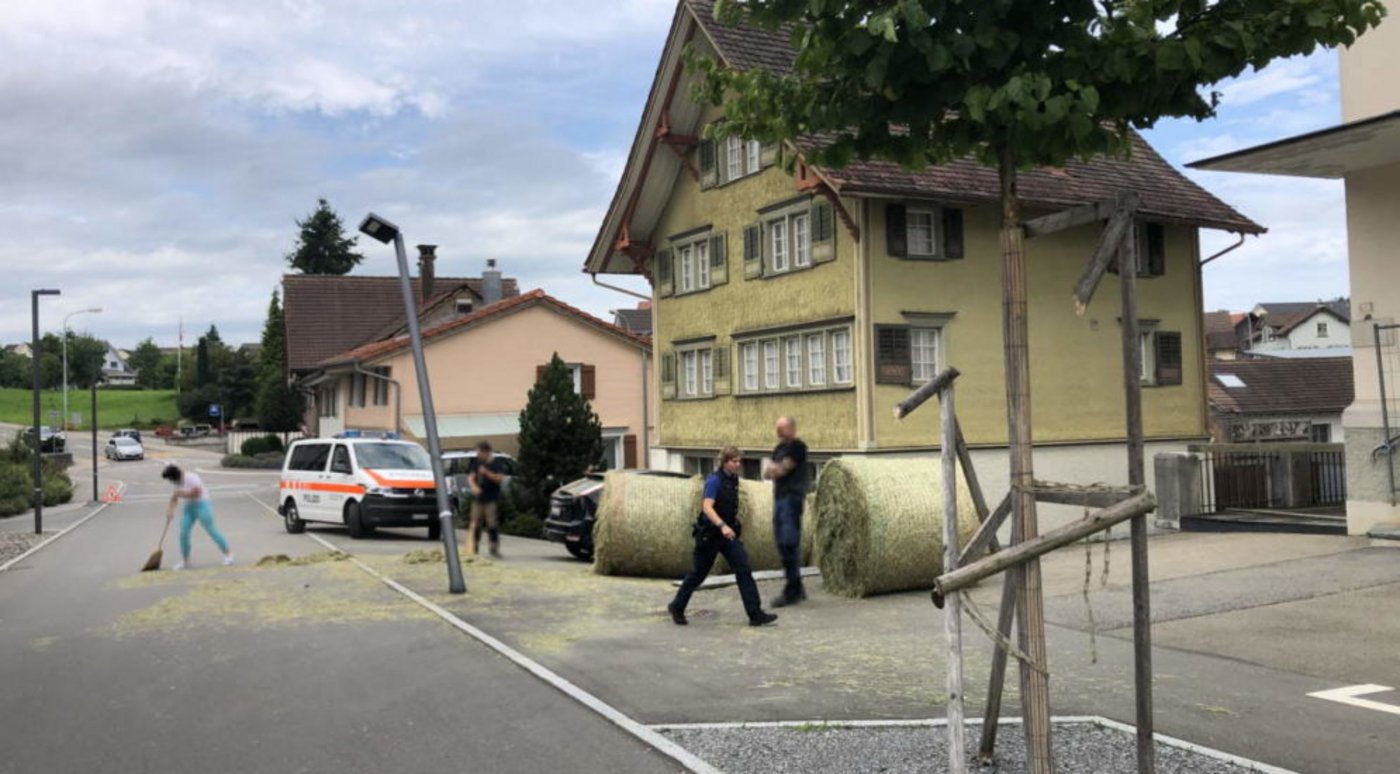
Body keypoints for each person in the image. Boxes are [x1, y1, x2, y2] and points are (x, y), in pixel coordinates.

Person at [668, 447, 778, 627]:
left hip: (728, 535)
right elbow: (707, 508)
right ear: (725, 462)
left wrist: (730, 526)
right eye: (734, 461)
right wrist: (722, 526)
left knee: (743, 568)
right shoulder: (714, 481)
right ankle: (677, 606)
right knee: (698, 574)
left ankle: (755, 614)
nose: (738, 464)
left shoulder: (733, 480)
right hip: (710, 534)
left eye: (739, 461)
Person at [765, 416, 808, 607]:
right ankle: (797, 585)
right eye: (777, 429)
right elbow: (768, 472)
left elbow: (781, 470)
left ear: (791, 428)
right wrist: (775, 469)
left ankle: (792, 590)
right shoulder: (778, 449)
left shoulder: (798, 447)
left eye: (782, 429)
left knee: (789, 542)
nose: (778, 432)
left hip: (792, 498)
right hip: (779, 498)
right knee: (781, 544)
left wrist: (777, 469)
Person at [162, 464, 233, 570]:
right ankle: (186, 561)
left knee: (211, 530)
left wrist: (180, 494)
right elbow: (174, 498)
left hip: (202, 504)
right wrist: (170, 511)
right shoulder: (177, 482)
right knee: (184, 532)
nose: (171, 482)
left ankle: (228, 554)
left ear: (175, 475)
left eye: (171, 479)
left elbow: (197, 494)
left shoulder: (191, 478)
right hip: (189, 507)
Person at [466, 441, 508, 558]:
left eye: (479, 452)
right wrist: (473, 486)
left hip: (491, 498)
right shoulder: (476, 462)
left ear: (486, 452)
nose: (478, 454)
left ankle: (494, 547)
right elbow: (471, 476)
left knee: (492, 524)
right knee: (475, 523)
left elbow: (499, 478)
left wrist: (487, 473)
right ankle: (474, 547)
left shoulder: (496, 463)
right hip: (478, 498)